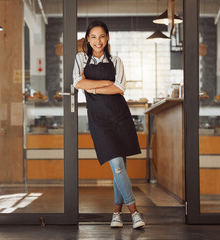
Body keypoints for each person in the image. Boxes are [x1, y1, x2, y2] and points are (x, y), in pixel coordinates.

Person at [73, 21, 146, 229]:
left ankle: (116, 213)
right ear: (87, 39)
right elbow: (78, 83)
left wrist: (93, 88)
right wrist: (105, 84)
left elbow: (120, 88)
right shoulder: (80, 58)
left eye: (102, 36)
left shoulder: (116, 60)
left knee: (119, 167)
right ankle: (134, 212)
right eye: (94, 37)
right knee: (117, 167)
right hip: (99, 120)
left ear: (107, 38)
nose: (98, 41)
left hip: (119, 116)